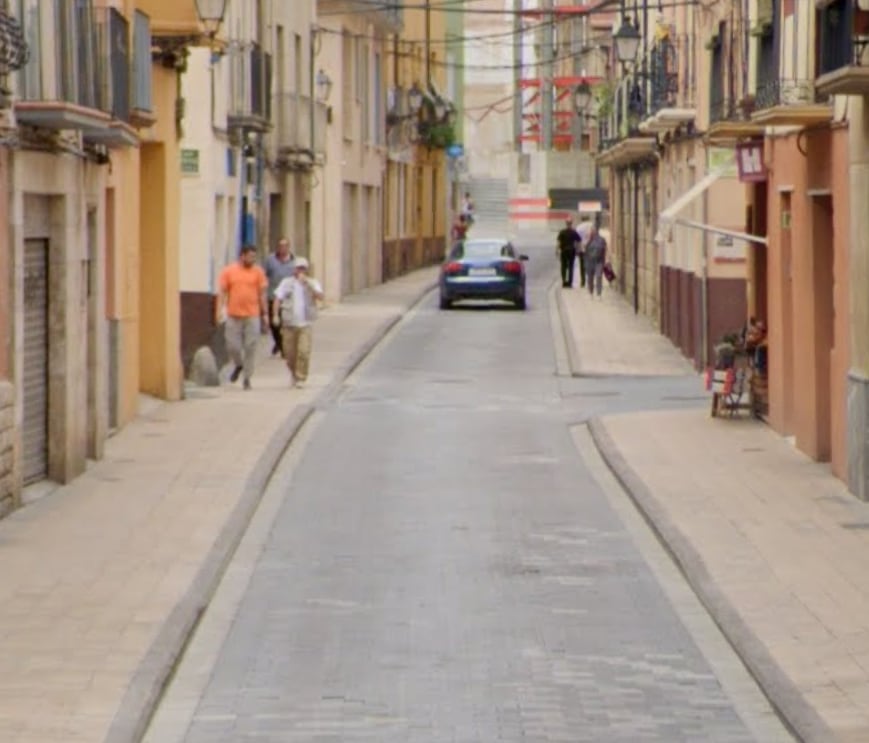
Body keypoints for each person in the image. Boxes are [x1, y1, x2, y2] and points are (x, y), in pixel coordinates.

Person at [217, 245, 268, 390]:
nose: (252, 259)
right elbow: (223, 292)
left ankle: (247, 377)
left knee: (250, 346)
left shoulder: (258, 272)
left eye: (254, 257)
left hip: (252, 315)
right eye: (250, 256)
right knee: (232, 345)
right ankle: (239, 364)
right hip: (233, 314)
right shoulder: (229, 271)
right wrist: (219, 310)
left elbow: (262, 294)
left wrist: (265, 314)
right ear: (242, 256)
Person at [272, 257, 324, 388]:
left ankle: (301, 377)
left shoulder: (312, 282)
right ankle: (293, 373)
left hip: (305, 323)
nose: (300, 271)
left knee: (304, 352)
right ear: (294, 270)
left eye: (303, 268)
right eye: (298, 268)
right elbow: (278, 299)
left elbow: (320, 297)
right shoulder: (286, 283)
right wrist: (275, 315)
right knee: (289, 353)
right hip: (289, 323)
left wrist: (308, 284)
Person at [264, 237, 295, 356]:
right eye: (281, 246)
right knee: (274, 324)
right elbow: (264, 275)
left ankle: (283, 347)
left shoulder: (294, 262)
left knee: (285, 323)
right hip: (272, 295)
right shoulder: (270, 260)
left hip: (287, 298)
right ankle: (279, 342)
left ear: (288, 247)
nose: (283, 248)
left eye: (285, 246)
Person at [556, 217, 581, 288]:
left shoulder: (562, 232)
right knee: (571, 267)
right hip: (571, 251)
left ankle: (564, 281)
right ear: (571, 224)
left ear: (566, 224)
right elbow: (579, 241)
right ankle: (570, 282)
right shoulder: (574, 232)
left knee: (563, 267)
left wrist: (557, 250)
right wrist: (578, 250)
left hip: (564, 251)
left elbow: (559, 242)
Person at [585, 225, 607, 298]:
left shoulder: (601, 239)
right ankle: (591, 292)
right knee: (590, 278)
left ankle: (599, 294)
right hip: (590, 262)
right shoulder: (588, 240)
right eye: (591, 231)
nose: (591, 232)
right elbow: (584, 249)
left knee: (598, 276)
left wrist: (605, 260)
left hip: (598, 261)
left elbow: (603, 250)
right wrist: (588, 240)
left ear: (596, 231)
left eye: (592, 231)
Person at [575, 215, 595, 288]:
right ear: (588, 219)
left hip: (582, 248)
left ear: (582, 219)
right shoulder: (591, 225)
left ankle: (583, 282)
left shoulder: (578, 227)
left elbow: (576, 240)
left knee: (582, 266)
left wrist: (577, 250)